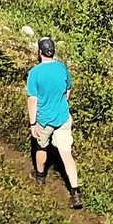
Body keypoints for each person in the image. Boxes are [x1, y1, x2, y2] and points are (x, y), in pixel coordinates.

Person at [26, 36, 82, 208]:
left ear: (40, 51)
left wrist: (32, 123)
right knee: (66, 154)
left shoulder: (35, 73)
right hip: (63, 117)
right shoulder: (62, 68)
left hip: (44, 120)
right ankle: (75, 192)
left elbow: (32, 100)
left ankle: (40, 178)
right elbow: (68, 89)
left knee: (41, 147)